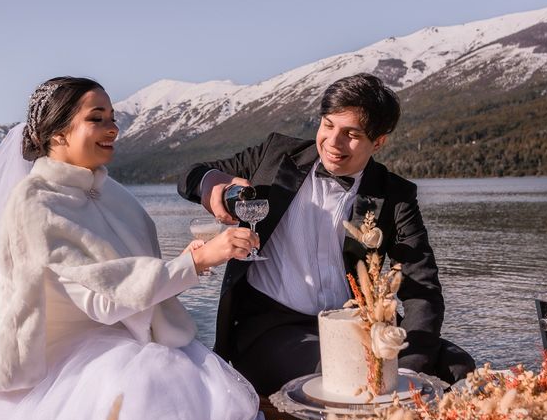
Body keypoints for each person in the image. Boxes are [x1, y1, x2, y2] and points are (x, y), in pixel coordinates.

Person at [0, 77, 264, 420]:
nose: (113, 128)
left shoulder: (112, 193)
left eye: (113, 117)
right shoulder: (35, 202)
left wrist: (190, 263)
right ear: (58, 133)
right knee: (147, 395)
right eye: (97, 118)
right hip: (77, 364)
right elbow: (103, 301)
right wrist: (196, 260)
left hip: (139, 341)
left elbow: (132, 274)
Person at [177, 73, 476, 399]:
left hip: (356, 324)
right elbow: (191, 175)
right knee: (343, 374)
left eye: (351, 134)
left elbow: (423, 288)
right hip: (272, 329)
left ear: (378, 142)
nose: (333, 142)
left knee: (458, 365)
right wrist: (213, 187)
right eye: (328, 125)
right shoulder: (275, 156)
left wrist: (408, 369)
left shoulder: (395, 196)